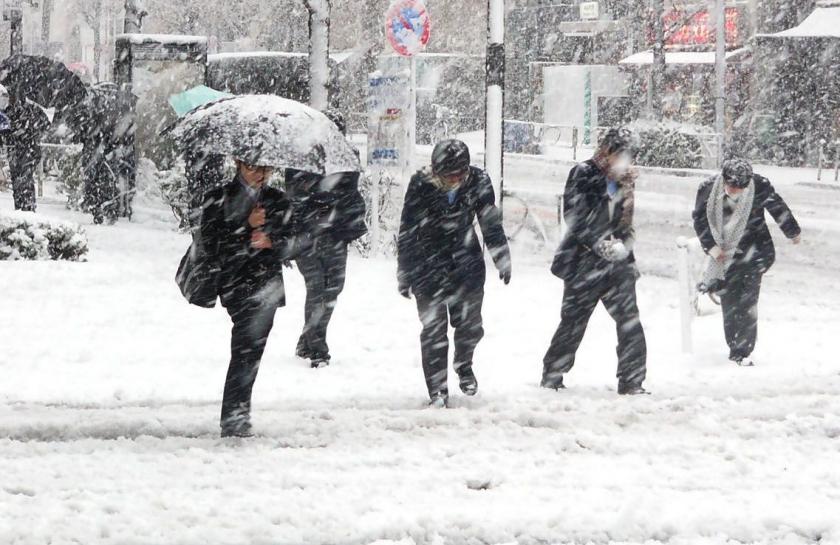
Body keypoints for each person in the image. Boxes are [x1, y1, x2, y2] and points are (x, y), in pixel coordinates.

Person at [197, 157, 310, 437]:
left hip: (266, 286)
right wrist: (245, 227)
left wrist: (272, 241)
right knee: (246, 349)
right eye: (254, 168)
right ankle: (235, 416)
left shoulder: (277, 201)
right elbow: (211, 244)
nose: (261, 174)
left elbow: (298, 242)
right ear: (238, 164)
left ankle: (236, 414)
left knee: (250, 351)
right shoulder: (219, 198)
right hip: (235, 283)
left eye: (267, 169)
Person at [397, 139, 512, 407]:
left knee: (470, 326)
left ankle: (464, 363)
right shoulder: (420, 183)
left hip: (466, 263)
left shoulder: (478, 181)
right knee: (433, 330)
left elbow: (490, 222)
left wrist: (502, 258)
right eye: (446, 175)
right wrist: (404, 271)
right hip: (427, 264)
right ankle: (437, 390)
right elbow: (408, 229)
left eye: (457, 175)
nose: (452, 180)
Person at [542, 127, 648, 395]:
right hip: (583, 262)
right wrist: (598, 243)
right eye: (622, 156)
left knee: (630, 322)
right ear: (608, 151)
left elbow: (625, 222)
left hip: (618, 265)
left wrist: (624, 244)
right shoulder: (583, 173)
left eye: (631, 157)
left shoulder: (626, 181)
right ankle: (552, 375)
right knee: (573, 322)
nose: (626, 162)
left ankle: (632, 381)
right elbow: (574, 215)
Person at [692, 157, 801, 367]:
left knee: (748, 302)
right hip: (724, 255)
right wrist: (712, 247)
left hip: (755, 251)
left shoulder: (758, 185)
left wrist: (792, 231)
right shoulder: (708, 189)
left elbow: (777, 207)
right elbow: (700, 219)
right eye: (732, 187)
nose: (735, 191)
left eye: (740, 188)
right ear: (724, 179)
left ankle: (742, 351)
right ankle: (735, 345)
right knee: (730, 303)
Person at [284, 110, 367, 368]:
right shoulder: (299, 157)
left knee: (332, 289)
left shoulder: (349, 156)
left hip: (336, 234)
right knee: (317, 287)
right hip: (307, 234)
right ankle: (318, 349)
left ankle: (307, 339)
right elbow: (294, 197)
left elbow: (350, 193)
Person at [4, 94, 50, 212]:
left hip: (27, 149)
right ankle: (20, 206)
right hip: (16, 149)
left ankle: (28, 207)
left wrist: (27, 131)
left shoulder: (31, 109)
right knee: (17, 179)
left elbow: (44, 124)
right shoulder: (8, 111)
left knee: (25, 179)